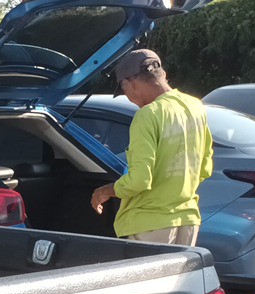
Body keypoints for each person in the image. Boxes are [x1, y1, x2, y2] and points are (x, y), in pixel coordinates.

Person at [90, 49, 213, 245]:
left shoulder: (148, 115)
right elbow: (204, 168)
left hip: (149, 224)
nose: (129, 98)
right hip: (187, 219)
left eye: (124, 91)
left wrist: (105, 191)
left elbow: (139, 180)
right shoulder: (195, 107)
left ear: (129, 83)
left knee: (147, 268)